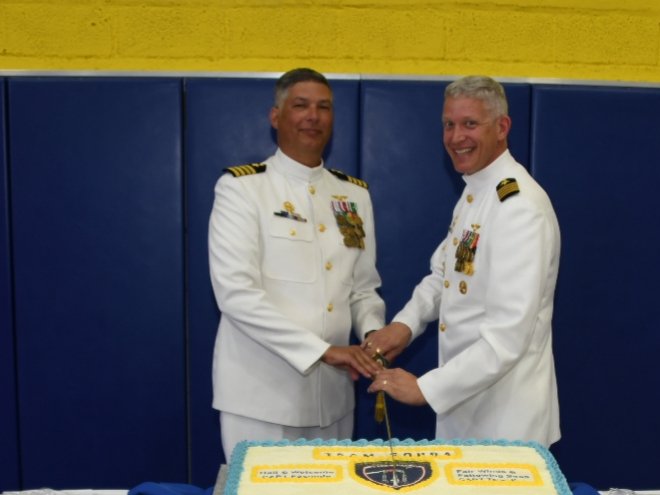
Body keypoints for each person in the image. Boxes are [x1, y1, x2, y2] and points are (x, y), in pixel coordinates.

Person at [366, 75, 561, 447]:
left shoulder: (518, 207)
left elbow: (506, 337)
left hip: (506, 421)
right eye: (449, 124)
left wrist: (425, 387)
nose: (456, 137)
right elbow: (446, 274)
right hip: (465, 408)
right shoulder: (475, 192)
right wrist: (405, 325)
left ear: (502, 127)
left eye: (470, 124)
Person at [208, 68, 386, 461]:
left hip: (334, 402)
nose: (313, 116)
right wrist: (324, 350)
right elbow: (236, 296)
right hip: (261, 399)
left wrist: (373, 334)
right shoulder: (242, 189)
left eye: (324, 107)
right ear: (276, 116)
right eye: (301, 105)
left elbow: (362, 288)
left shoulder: (352, 196)